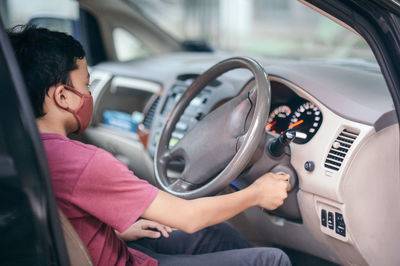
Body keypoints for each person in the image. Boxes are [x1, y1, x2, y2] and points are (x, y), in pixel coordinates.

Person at [8, 25, 291, 266]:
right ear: (63, 97)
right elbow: (188, 218)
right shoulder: (81, 161)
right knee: (272, 259)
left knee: (216, 233)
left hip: (105, 252)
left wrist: (112, 233)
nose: (88, 94)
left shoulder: (18, 153)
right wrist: (257, 194)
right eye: (85, 85)